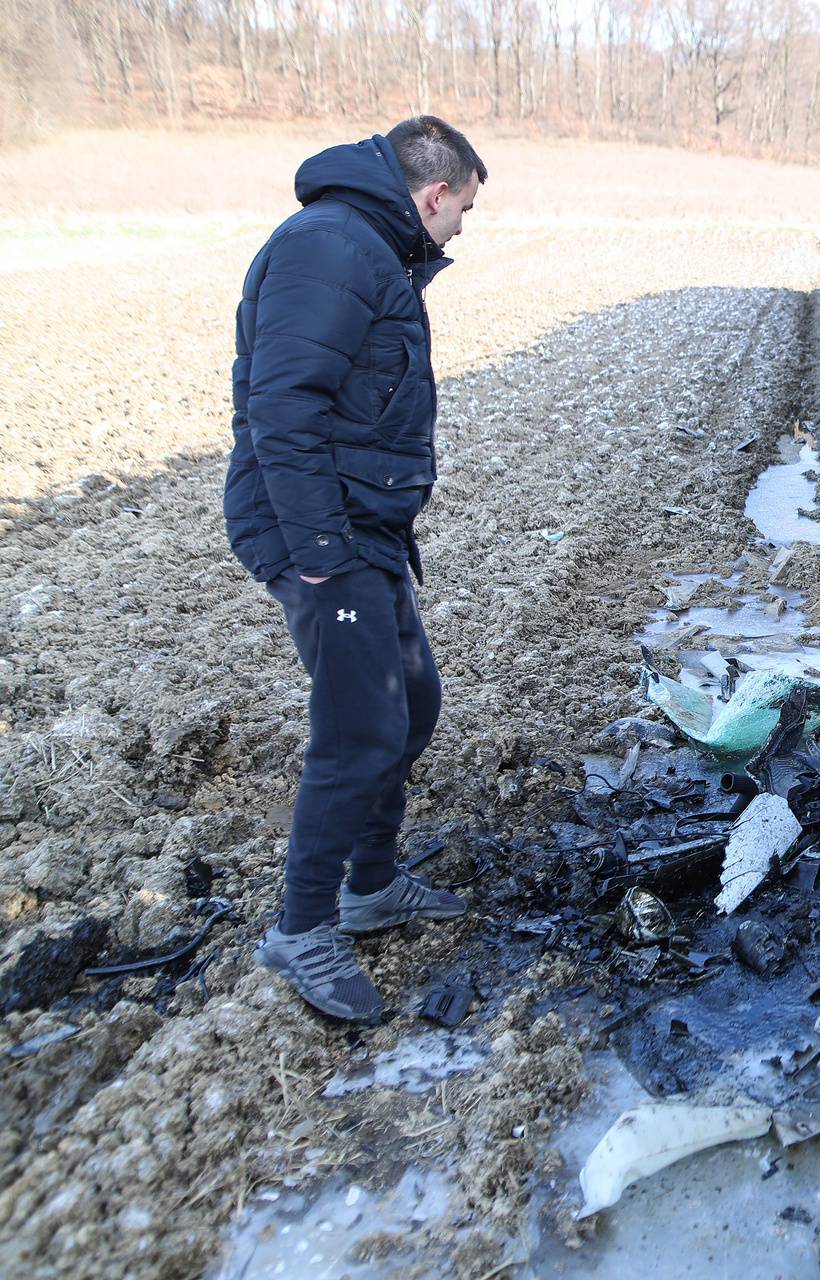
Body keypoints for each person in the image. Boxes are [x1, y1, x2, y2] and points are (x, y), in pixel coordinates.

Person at [223, 116, 485, 1022]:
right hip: (321, 536)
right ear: (432, 195)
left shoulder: (364, 246)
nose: (460, 231)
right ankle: (303, 927)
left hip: (360, 527)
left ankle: (369, 888)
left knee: (412, 706)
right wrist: (325, 559)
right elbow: (281, 410)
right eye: (463, 212)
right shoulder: (331, 248)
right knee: (359, 728)